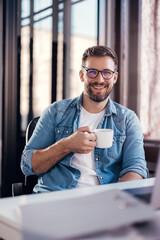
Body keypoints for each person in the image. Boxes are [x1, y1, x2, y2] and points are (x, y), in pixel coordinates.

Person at [21, 45, 148, 193]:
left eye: (107, 72)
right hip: (54, 198)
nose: (99, 79)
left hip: (102, 202)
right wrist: (66, 145)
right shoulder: (55, 112)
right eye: (92, 72)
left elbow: (136, 169)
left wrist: (112, 198)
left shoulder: (127, 119)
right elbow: (27, 165)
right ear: (82, 75)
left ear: (115, 77)